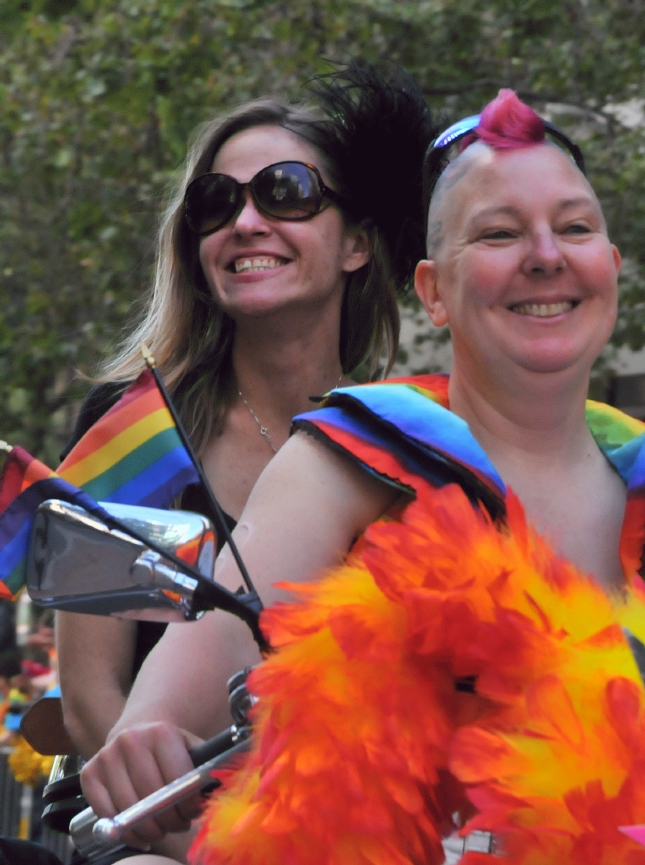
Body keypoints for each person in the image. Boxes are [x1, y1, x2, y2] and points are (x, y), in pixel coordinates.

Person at [78, 89, 645, 864]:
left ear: (611, 269)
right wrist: (145, 746)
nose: (546, 254)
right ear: (432, 291)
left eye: (576, 227)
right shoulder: (352, 456)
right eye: (499, 232)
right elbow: (161, 718)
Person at [55, 65, 433, 861]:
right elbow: (94, 700)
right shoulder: (131, 433)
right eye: (216, 204)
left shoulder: (411, 447)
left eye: (287, 192)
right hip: (169, 842)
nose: (248, 221)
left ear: (357, 244)